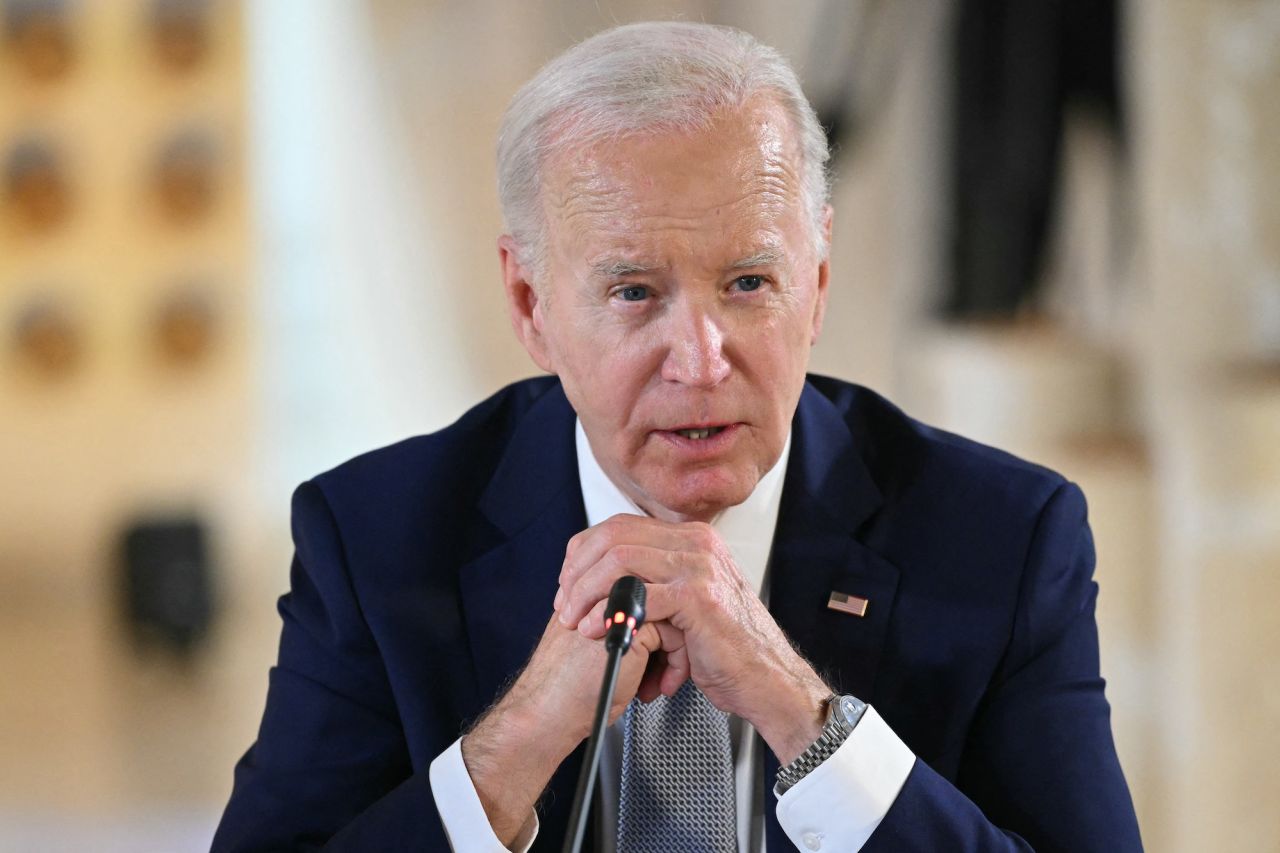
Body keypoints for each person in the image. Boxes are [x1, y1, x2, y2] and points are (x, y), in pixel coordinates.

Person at [212, 21, 1142, 853]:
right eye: (633, 293)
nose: (699, 361)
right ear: (530, 305)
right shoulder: (376, 537)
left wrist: (805, 714)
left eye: (747, 282)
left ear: (815, 282)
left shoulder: (1008, 536)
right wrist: (520, 740)